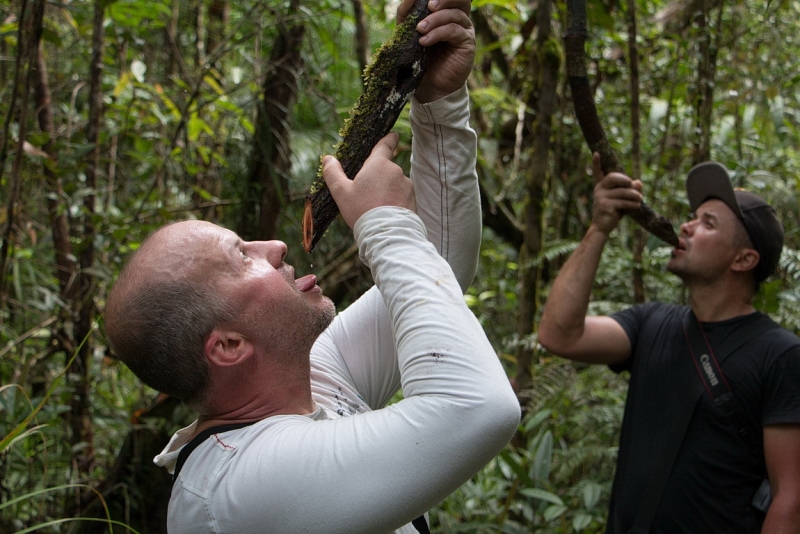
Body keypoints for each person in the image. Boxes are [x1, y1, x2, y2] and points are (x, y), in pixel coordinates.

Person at [103, 1, 520, 533]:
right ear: (229, 346)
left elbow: (442, 264)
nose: (274, 246)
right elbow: (478, 408)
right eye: (241, 255)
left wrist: (438, 105)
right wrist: (383, 223)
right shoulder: (241, 486)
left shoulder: (315, 377)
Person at [538, 153, 800, 533]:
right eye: (693, 217)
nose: (687, 227)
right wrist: (599, 227)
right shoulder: (651, 323)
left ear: (743, 259)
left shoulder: (780, 355)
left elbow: (788, 500)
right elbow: (559, 334)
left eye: (707, 223)